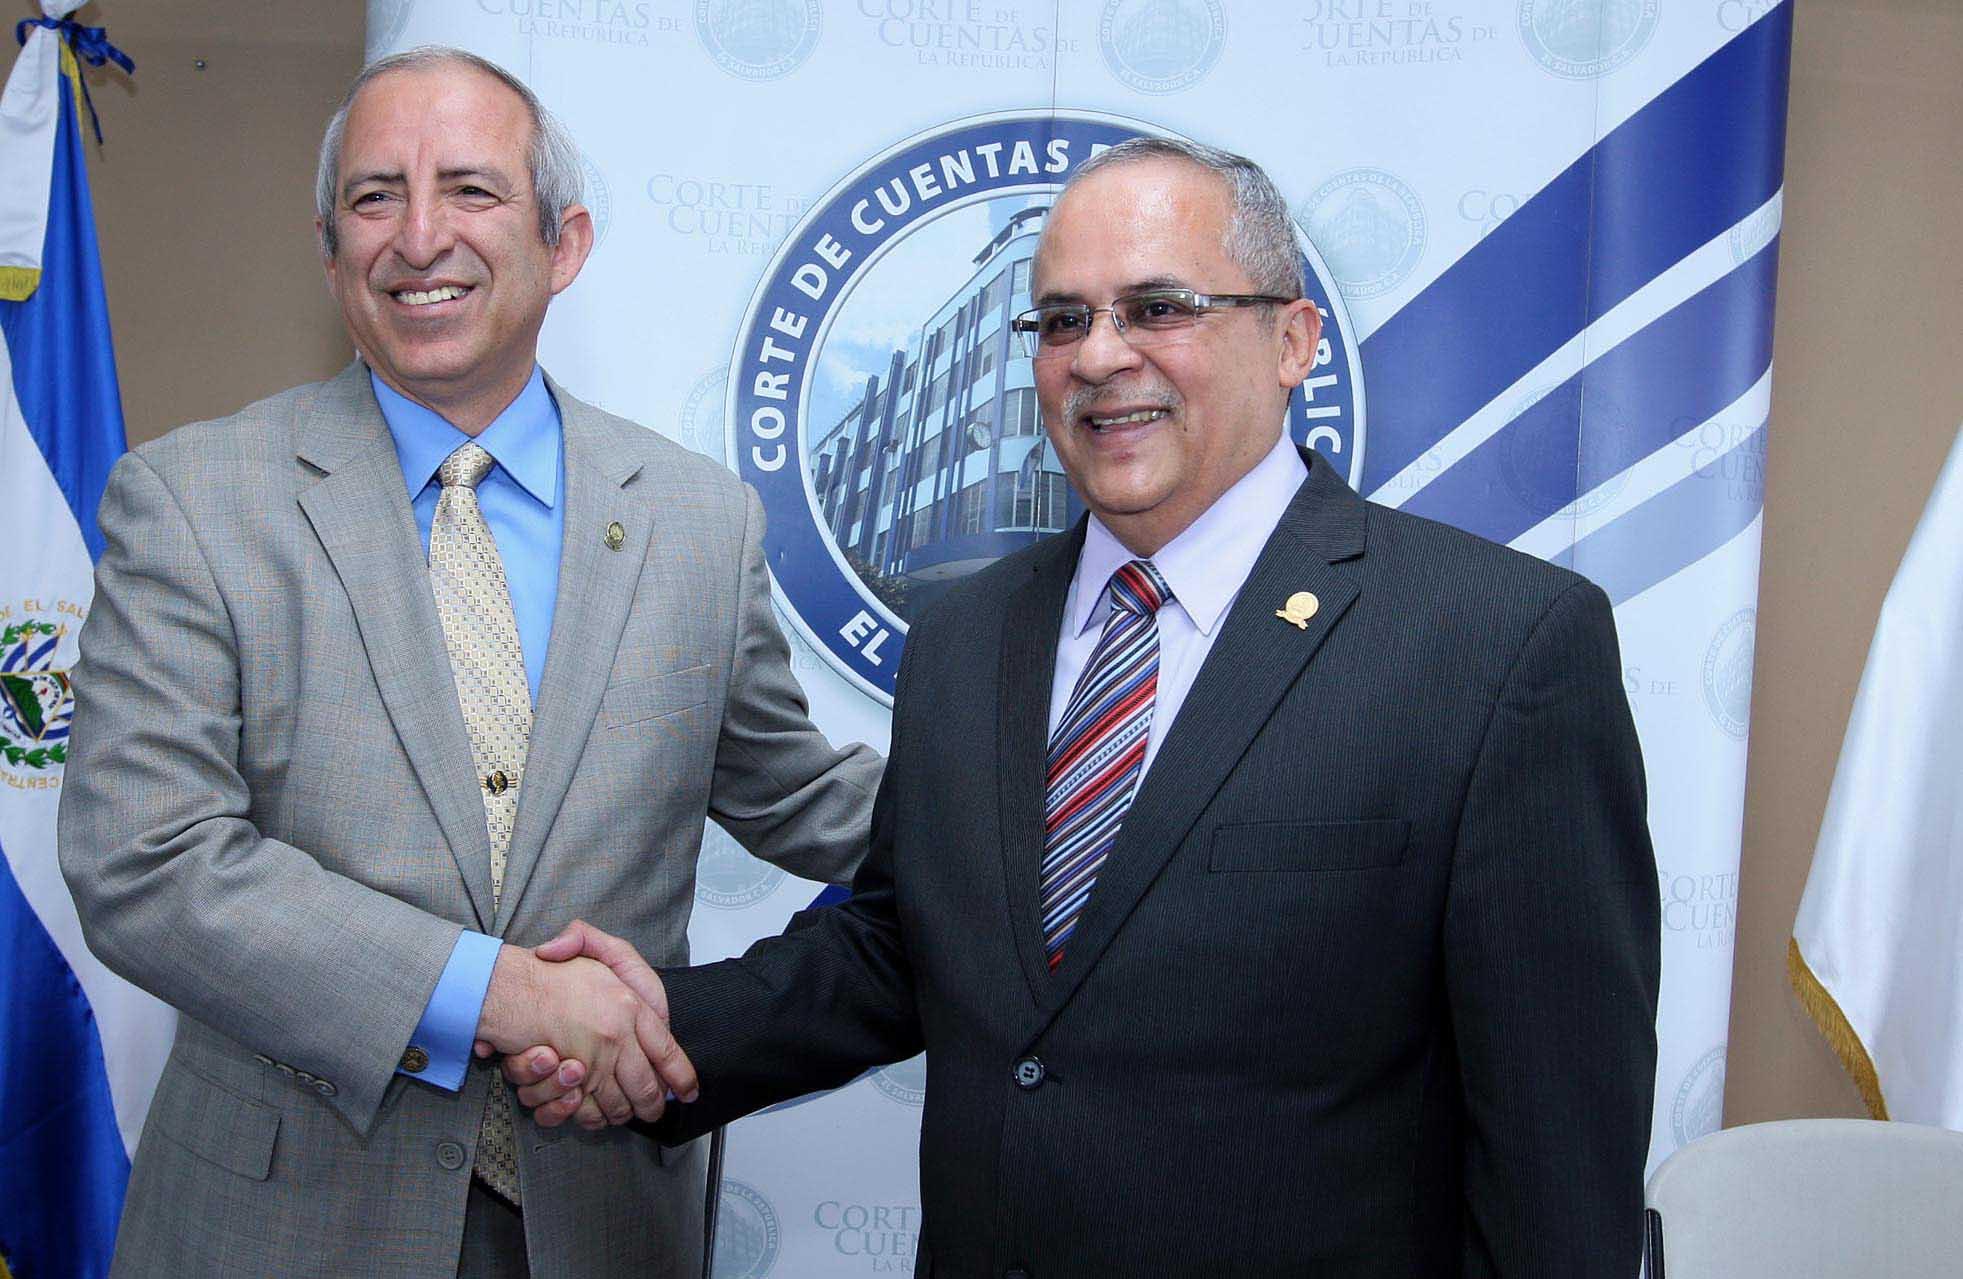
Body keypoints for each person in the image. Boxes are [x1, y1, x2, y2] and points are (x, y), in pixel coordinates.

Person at [515, 137, 1662, 1277]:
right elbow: (900, 946)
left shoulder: (1499, 647)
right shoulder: (967, 636)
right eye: (1063, 320)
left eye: (1157, 307)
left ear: (1292, 341)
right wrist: (662, 1026)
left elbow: (1557, 1161)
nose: (1100, 355)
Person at [56, 46, 876, 1278]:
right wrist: (498, 993)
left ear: (566, 244)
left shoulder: (700, 520)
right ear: (330, 248)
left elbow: (799, 796)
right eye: (376, 195)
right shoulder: (190, 500)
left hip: (605, 1218)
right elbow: (144, 858)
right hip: (282, 1227)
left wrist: (1081, 838)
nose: (419, 235)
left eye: (474, 191)